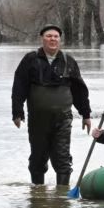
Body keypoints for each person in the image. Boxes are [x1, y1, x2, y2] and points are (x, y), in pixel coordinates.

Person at [11, 24, 92, 186]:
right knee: (38, 158)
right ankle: (37, 195)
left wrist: (86, 114)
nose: (52, 39)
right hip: (37, 119)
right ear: (42, 39)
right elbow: (19, 87)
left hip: (63, 119)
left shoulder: (68, 61)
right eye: (49, 36)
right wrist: (17, 112)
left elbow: (79, 90)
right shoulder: (30, 59)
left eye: (56, 36)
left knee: (62, 159)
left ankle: (62, 198)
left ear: (60, 40)